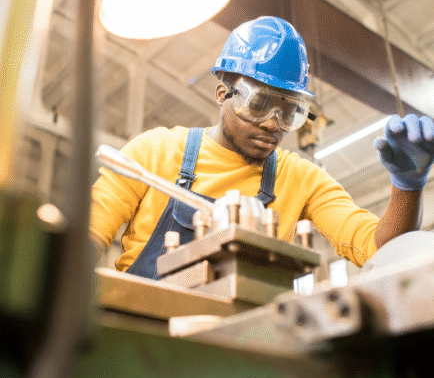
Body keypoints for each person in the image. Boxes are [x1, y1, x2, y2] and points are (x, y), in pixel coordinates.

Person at [90, 16, 434, 279]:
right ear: (223, 94)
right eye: (259, 104)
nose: (273, 123)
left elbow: (379, 249)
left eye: (288, 112)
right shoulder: (154, 152)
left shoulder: (300, 178)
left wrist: (407, 188)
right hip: (142, 329)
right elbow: (88, 235)